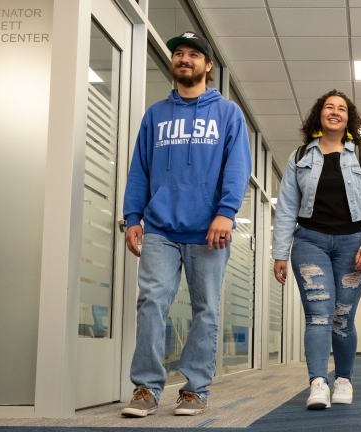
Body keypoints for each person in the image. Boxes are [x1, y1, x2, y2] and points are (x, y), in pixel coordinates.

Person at [120, 31, 251, 417]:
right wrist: (133, 217)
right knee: (151, 303)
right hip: (160, 227)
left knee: (205, 309)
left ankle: (195, 390)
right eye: (179, 53)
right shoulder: (156, 115)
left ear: (208, 66)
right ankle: (146, 388)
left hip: (208, 230)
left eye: (194, 54)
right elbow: (139, 170)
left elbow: (238, 167)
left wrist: (226, 213)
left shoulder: (228, 113)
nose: (185, 59)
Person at [272, 90, 361, 410]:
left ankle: (344, 380)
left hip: (354, 245)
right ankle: (318, 383)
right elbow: (285, 209)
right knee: (318, 315)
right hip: (310, 241)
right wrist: (280, 253)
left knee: (342, 316)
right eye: (328, 107)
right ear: (319, 115)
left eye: (341, 108)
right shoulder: (300, 156)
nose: (335, 112)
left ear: (348, 118)